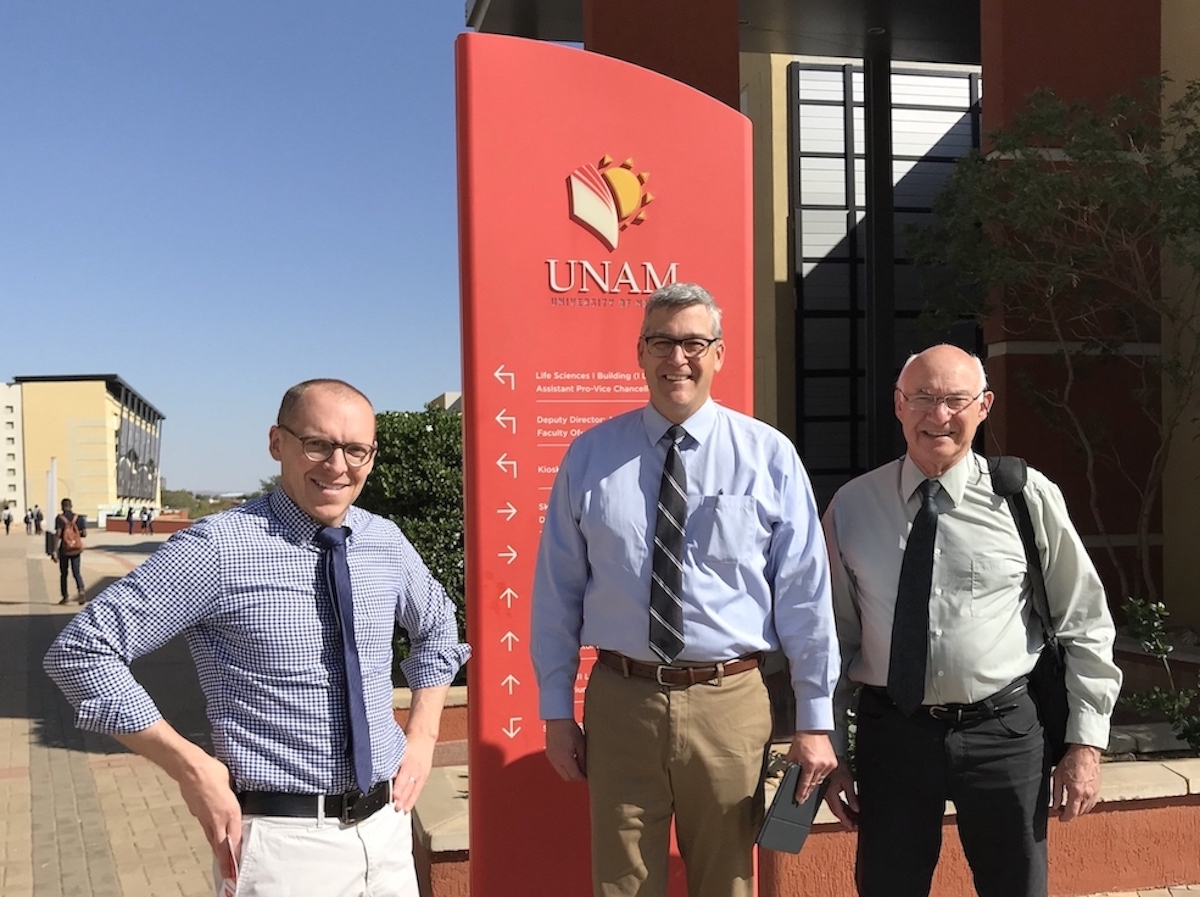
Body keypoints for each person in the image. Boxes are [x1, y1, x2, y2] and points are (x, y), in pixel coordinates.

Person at [45, 379, 470, 897]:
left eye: (356, 449)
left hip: (387, 833)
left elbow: (438, 627)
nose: (337, 465)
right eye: (317, 444)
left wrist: (423, 736)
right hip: (281, 847)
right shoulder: (218, 549)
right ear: (278, 443)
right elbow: (82, 651)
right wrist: (190, 765)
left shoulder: (385, 541)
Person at [531, 283, 839, 897]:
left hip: (730, 702)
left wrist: (815, 718)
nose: (679, 357)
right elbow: (557, 591)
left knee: (726, 882)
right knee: (622, 886)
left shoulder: (768, 456)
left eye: (694, 342)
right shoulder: (590, 457)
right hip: (622, 702)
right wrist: (555, 710)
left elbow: (806, 596)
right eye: (663, 342)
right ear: (640, 353)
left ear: (719, 354)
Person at [820, 345, 1122, 897]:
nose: (938, 416)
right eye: (923, 398)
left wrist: (1085, 745)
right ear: (898, 405)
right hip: (894, 735)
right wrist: (834, 747)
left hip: (1003, 733)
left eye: (956, 400)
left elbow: (1085, 620)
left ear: (983, 406)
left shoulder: (1026, 499)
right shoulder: (852, 505)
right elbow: (833, 640)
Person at [51, 498, 87, 604]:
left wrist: (54, 550)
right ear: (71, 506)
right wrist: (75, 535)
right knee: (76, 572)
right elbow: (84, 534)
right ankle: (81, 590)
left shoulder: (59, 518)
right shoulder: (79, 518)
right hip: (76, 549)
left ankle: (65, 596)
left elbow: (58, 534)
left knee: (64, 573)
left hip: (64, 549)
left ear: (62, 506)